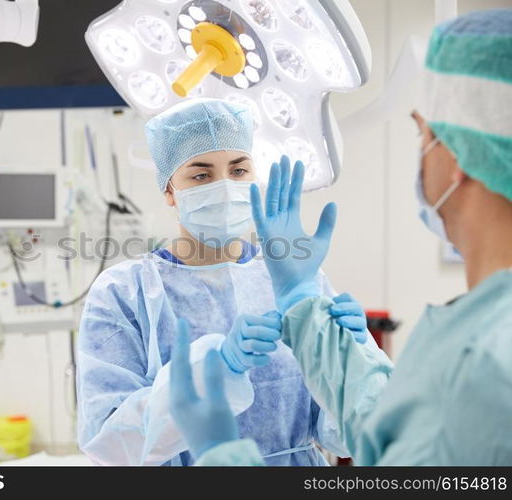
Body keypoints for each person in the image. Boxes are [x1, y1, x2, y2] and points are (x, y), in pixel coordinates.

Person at [170, 9, 512, 466]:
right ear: (169, 189)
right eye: (200, 174)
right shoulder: (481, 338)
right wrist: (303, 303)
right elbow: (390, 431)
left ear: (459, 157)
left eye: (423, 134)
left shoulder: (485, 363)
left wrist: (223, 456)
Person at [76, 98, 371, 466]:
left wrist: (352, 361)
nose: (225, 187)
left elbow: (345, 437)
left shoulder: (292, 279)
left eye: (238, 170)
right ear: (169, 190)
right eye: (201, 175)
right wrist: (215, 369)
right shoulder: (126, 293)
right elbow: (109, 444)